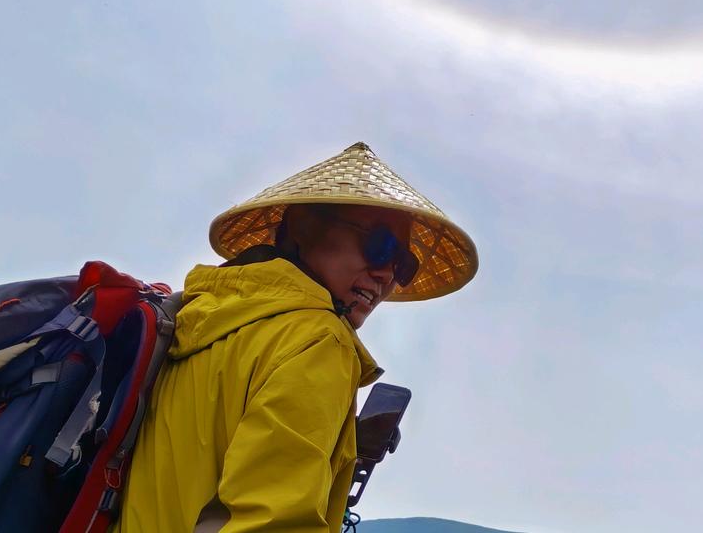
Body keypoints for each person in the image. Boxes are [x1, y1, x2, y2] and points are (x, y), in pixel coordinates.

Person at [114, 141, 478, 533]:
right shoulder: (318, 340)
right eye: (380, 246)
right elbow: (273, 524)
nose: (386, 275)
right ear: (304, 227)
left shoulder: (200, 316)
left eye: (402, 264)